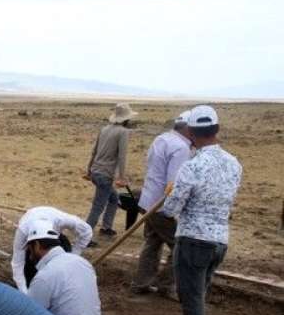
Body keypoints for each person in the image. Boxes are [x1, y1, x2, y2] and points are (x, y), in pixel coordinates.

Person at [155, 106, 242, 315]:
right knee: (198, 294)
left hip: (193, 241)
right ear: (217, 130)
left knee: (191, 298)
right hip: (219, 241)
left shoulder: (192, 167)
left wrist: (170, 195)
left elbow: (171, 210)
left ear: (191, 133)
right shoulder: (234, 163)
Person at [23, 219, 112, 315]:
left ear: (36, 245)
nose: (29, 255)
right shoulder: (82, 262)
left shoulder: (45, 276)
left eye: (29, 249)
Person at [131, 110, 193, 297]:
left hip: (148, 200)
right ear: (189, 128)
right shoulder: (181, 148)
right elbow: (173, 185)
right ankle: (166, 285)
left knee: (153, 242)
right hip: (161, 206)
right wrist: (175, 209)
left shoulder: (162, 138)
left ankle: (142, 282)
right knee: (180, 246)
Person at [85, 103, 136, 239]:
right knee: (98, 206)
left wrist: (89, 170)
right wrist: (121, 177)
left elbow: (94, 151)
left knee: (114, 199)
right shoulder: (123, 132)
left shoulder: (104, 129)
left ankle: (107, 227)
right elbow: (122, 156)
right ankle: (86, 235)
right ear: (126, 119)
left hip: (96, 171)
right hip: (105, 174)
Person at [11, 206, 92, 290]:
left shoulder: (61, 219)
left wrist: (73, 255)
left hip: (55, 235)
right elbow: (17, 264)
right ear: (34, 245)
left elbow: (87, 231)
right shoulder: (22, 232)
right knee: (30, 275)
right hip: (31, 240)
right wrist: (25, 293)